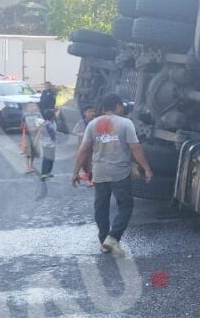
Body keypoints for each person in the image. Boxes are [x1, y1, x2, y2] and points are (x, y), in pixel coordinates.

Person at [71, 94, 152, 255]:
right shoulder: (125, 123)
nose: (122, 108)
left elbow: (84, 149)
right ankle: (113, 237)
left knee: (101, 207)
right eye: (121, 105)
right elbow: (135, 147)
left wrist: (75, 172)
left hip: (100, 172)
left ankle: (103, 242)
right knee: (125, 206)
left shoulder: (93, 124)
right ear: (117, 106)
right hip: (120, 172)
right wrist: (146, 168)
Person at [71, 106, 97, 186]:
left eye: (93, 111)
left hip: (93, 147)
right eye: (89, 111)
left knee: (90, 163)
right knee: (83, 162)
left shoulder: (96, 122)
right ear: (85, 113)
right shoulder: (81, 122)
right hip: (83, 146)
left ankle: (90, 179)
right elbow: (74, 131)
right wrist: (81, 134)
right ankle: (86, 174)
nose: (91, 113)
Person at [22, 102, 41, 174]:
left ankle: (31, 165)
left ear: (36, 107)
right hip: (27, 135)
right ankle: (27, 167)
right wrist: (27, 128)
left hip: (35, 136)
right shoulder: (25, 116)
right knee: (28, 151)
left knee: (34, 151)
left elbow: (41, 124)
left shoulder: (38, 115)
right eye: (30, 106)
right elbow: (22, 125)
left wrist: (37, 128)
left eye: (33, 106)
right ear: (27, 108)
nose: (31, 108)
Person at [39, 108, 58, 180]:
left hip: (51, 144)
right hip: (47, 144)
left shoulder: (52, 122)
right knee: (47, 158)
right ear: (52, 116)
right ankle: (44, 173)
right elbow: (51, 134)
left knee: (51, 159)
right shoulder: (48, 124)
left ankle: (48, 172)